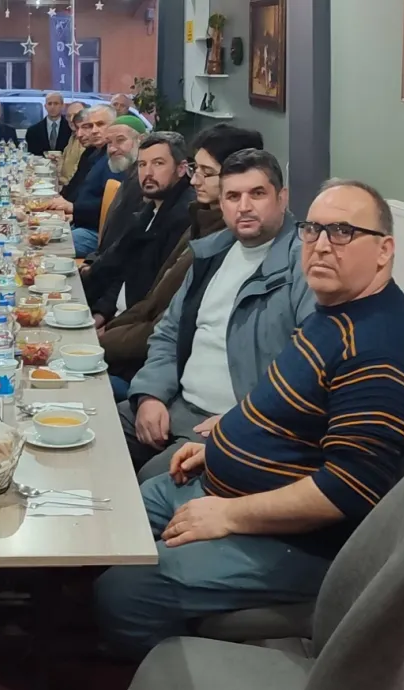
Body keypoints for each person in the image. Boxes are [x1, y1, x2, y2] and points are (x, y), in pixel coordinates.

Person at [94, 178, 404, 658]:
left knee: (124, 591)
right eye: (313, 229)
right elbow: (288, 406)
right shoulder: (338, 307)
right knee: (110, 524)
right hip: (230, 487)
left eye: (343, 232)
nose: (322, 245)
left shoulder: (378, 350)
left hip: (299, 541)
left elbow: (348, 487)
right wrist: (220, 445)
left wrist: (228, 515)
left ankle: (190, 679)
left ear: (384, 250)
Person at [119, 149, 315, 482]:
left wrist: (242, 420)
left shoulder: (305, 266)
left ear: (282, 198)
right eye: (233, 196)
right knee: (94, 434)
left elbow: (308, 371)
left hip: (234, 423)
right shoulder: (213, 252)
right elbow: (168, 333)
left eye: (257, 194)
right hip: (176, 403)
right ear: (221, 203)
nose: (244, 206)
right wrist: (151, 394)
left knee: (151, 481)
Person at [100, 125, 263, 382]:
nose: (195, 180)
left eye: (206, 173)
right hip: (134, 349)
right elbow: (151, 301)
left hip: (150, 368)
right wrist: (105, 330)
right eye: (195, 169)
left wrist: (101, 343)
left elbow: (169, 329)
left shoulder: (225, 240)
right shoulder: (199, 220)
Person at [86, 132, 194, 342]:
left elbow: (151, 302)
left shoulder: (182, 218)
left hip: (132, 335)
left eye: (158, 163)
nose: (148, 173)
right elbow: (123, 271)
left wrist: (109, 330)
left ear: (181, 169)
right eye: (142, 164)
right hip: (113, 318)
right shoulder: (149, 211)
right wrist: (101, 313)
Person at [55, 114, 144, 257]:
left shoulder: (140, 174)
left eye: (120, 140)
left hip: (99, 236)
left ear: (142, 140)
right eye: (109, 143)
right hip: (87, 226)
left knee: (47, 246)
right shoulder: (110, 161)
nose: (112, 149)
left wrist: (75, 210)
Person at [57, 105, 116, 203]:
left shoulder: (114, 156)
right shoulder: (90, 152)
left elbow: (107, 201)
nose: (94, 131)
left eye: (100, 124)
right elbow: (75, 186)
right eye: (91, 126)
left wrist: (73, 208)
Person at [58, 101, 88, 184]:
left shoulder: (85, 139)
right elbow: (63, 162)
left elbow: (77, 174)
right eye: (68, 116)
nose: (71, 119)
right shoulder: (73, 136)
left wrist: (59, 180)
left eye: (76, 115)